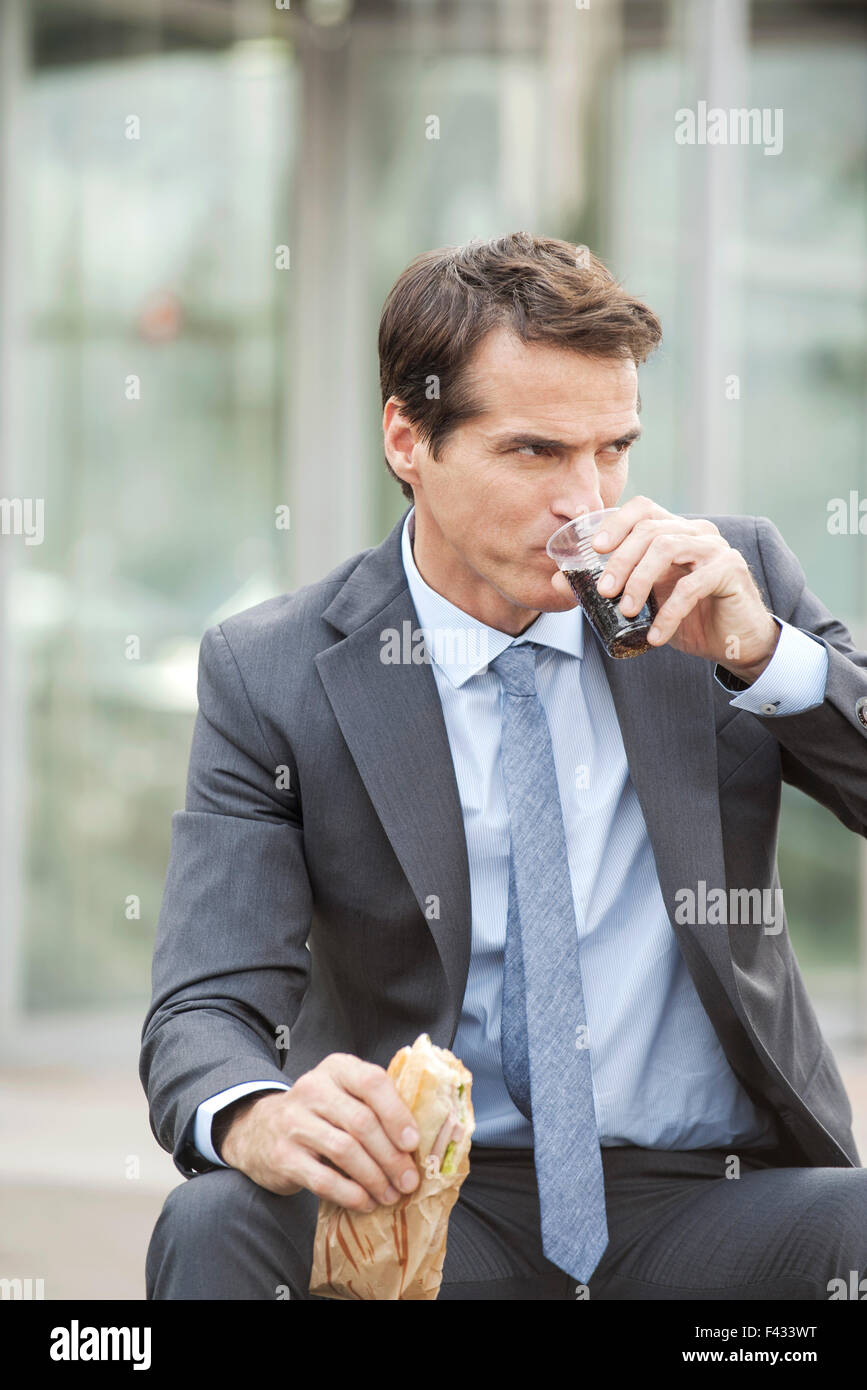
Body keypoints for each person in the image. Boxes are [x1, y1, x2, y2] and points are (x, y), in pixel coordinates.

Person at [142, 232, 867, 1301]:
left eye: (613, 450)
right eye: (536, 452)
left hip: (715, 1198)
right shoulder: (274, 672)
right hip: (430, 1210)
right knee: (217, 1227)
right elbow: (205, 1003)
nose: (588, 501)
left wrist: (768, 657)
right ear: (409, 437)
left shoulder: (720, 584)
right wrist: (256, 1112)